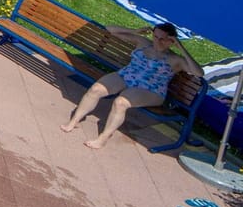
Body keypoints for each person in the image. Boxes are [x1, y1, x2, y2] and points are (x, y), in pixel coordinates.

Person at [61, 22, 202, 148]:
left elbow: (199, 72)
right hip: (127, 76)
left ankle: (103, 138)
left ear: (171, 41)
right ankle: (74, 121)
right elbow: (110, 29)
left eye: (163, 39)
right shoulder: (143, 42)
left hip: (150, 89)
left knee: (120, 102)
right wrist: (135, 31)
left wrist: (181, 47)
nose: (157, 41)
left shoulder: (175, 59)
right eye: (155, 36)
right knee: (96, 89)